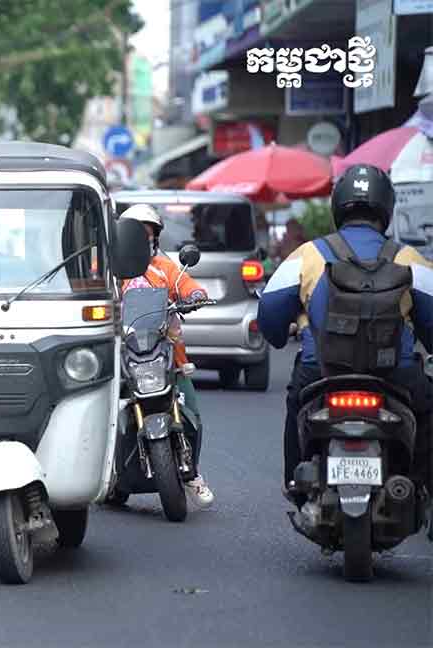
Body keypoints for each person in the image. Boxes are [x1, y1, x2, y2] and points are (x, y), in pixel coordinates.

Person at [257, 164, 433, 506]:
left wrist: (285, 331)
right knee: (428, 411)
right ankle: (420, 488)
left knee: (297, 406)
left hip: (321, 372)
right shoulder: (409, 258)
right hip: (395, 375)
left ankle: (297, 483)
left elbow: (270, 317)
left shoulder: (308, 255)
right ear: (386, 207)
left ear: (338, 206)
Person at [118, 204, 215, 509]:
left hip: (168, 357)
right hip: (122, 357)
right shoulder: (111, 270)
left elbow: (186, 285)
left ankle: (191, 473)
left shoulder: (165, 266)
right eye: (137, 234)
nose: (143, 239)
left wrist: (195, 296)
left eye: (148, 234)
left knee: (190, 412)